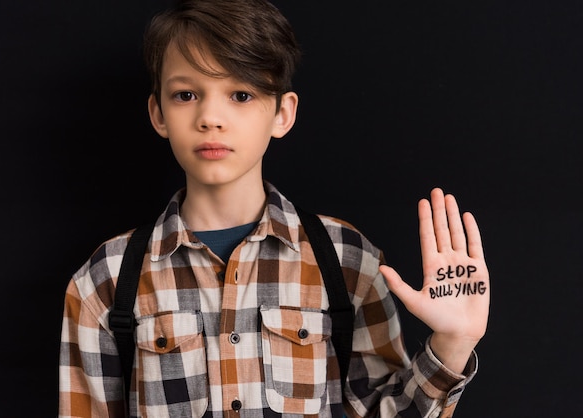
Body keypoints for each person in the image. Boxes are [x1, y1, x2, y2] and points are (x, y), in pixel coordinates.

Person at [58, 0, 490, 416]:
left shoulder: (345, 261)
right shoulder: (106, 279)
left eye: (241, 95)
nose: (211, 117)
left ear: (283, 113)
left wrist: (453, 344)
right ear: (158, 114)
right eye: (186, 94)